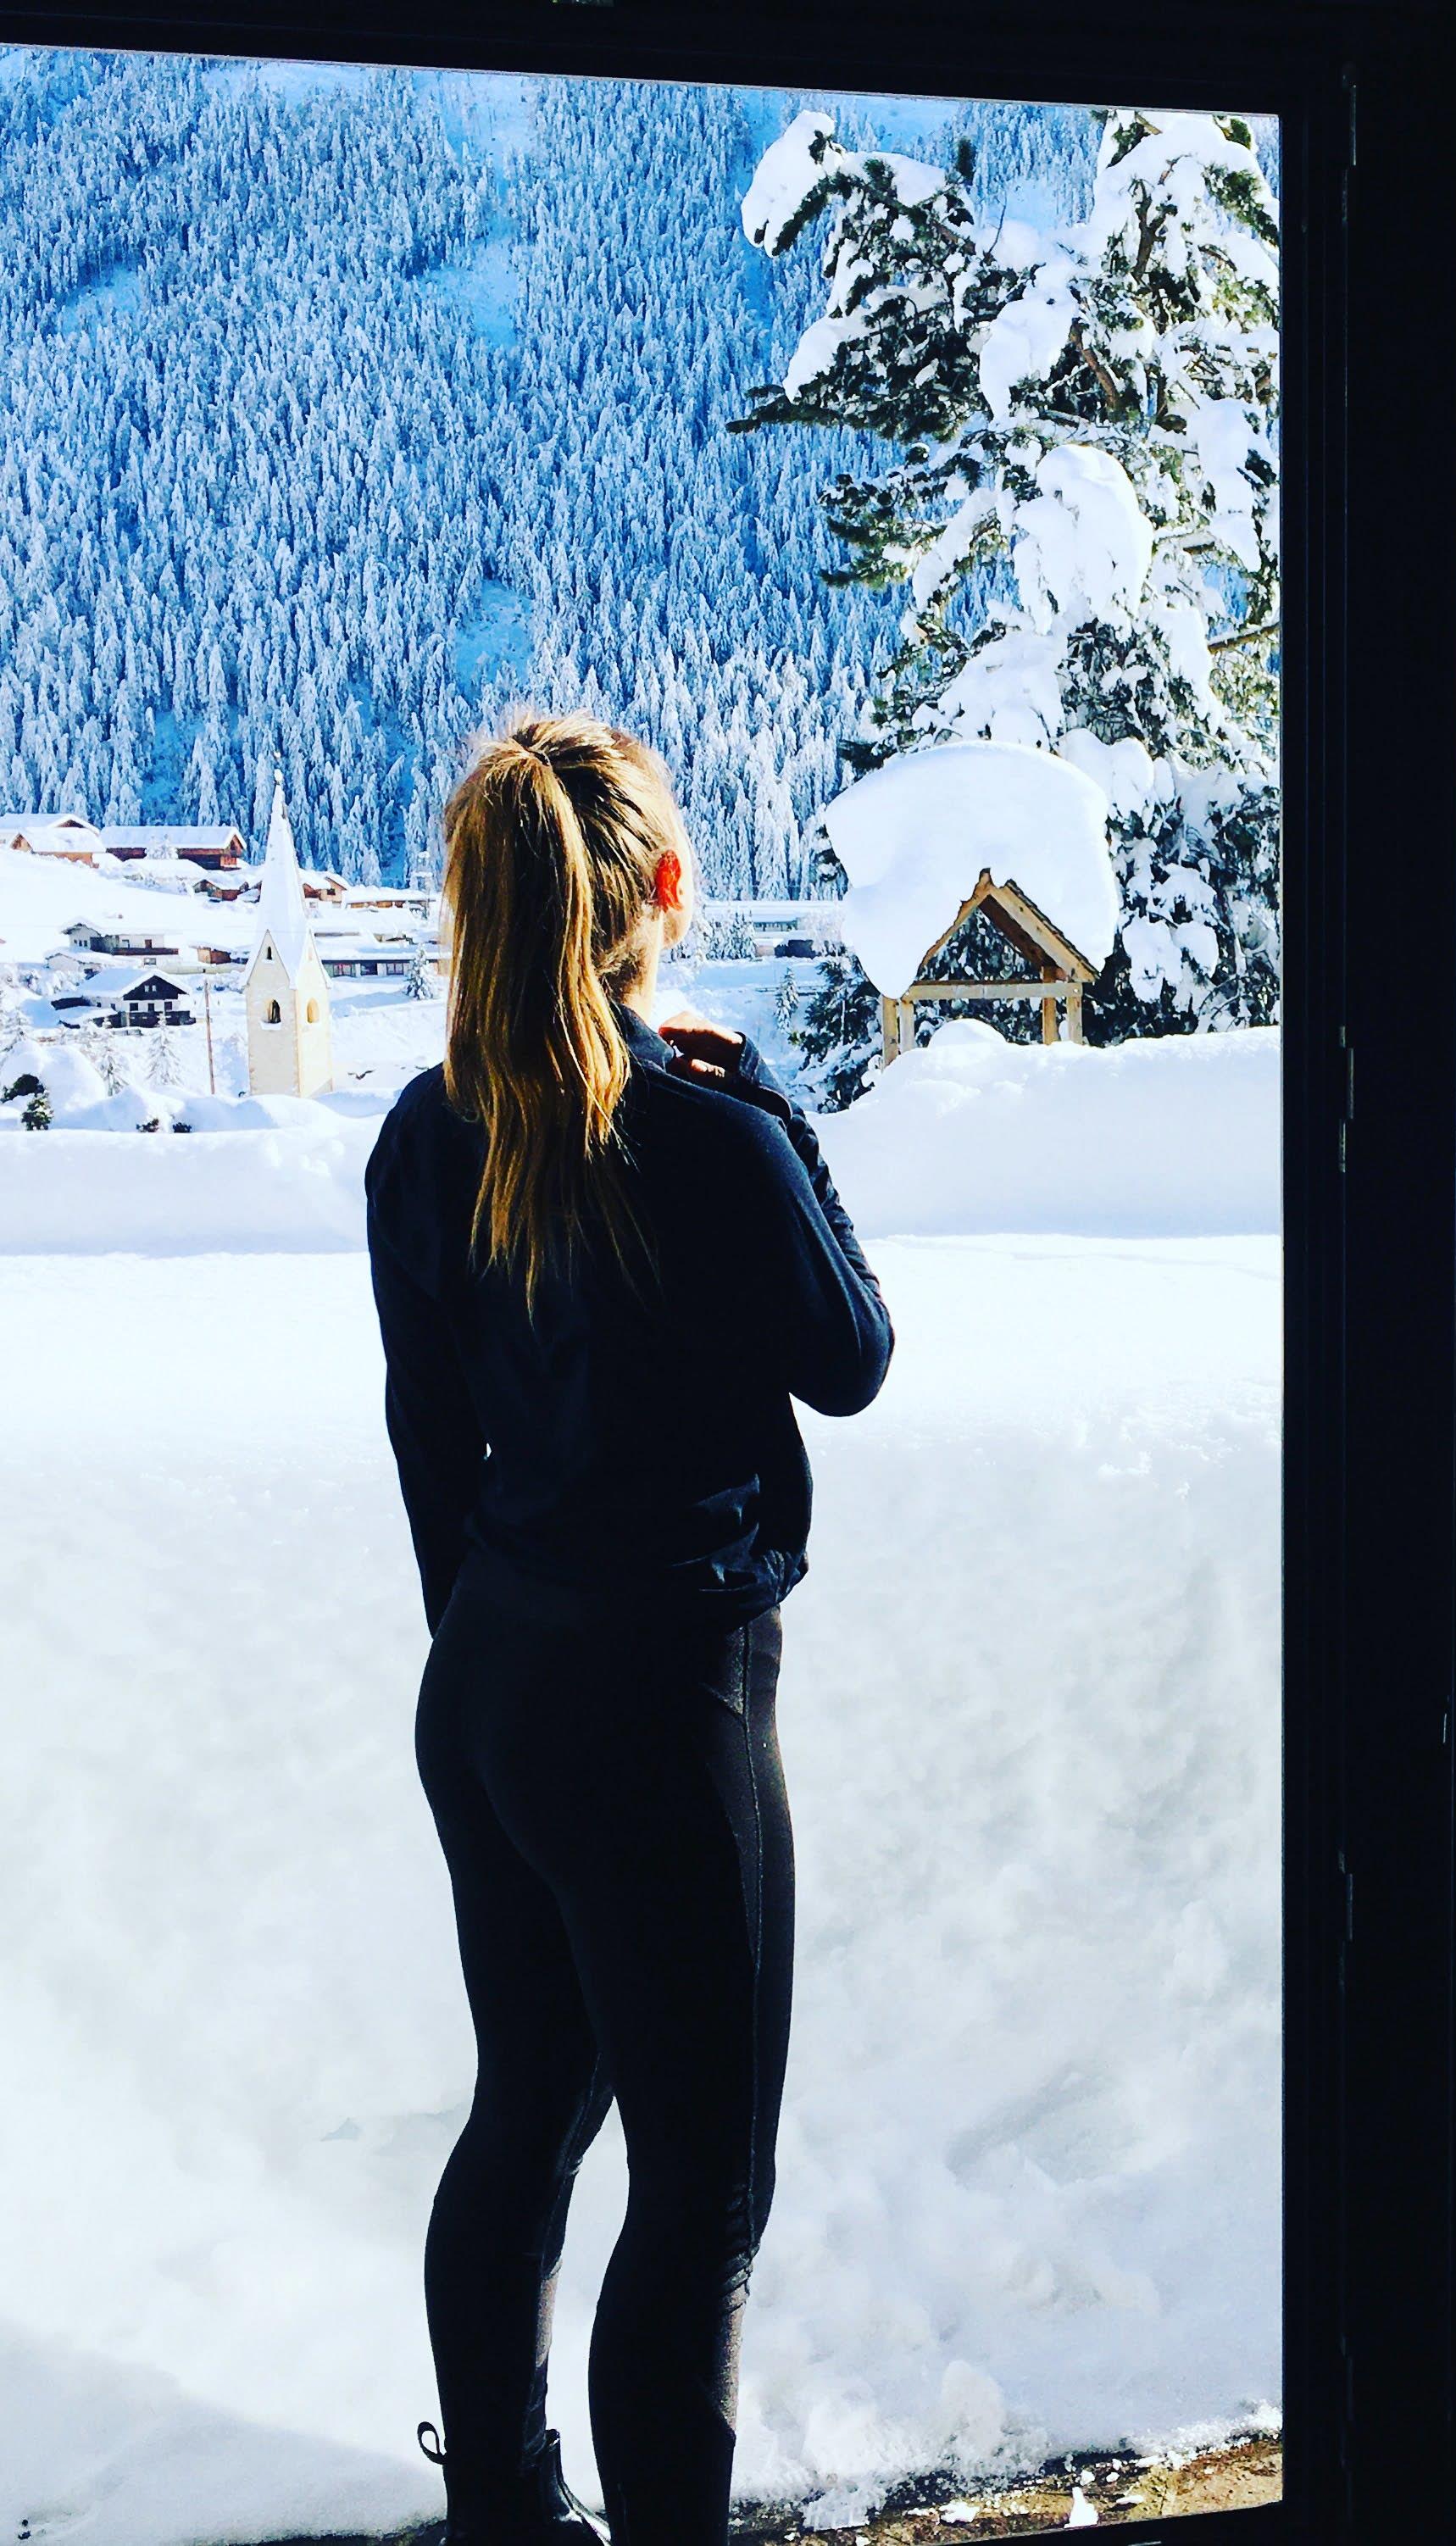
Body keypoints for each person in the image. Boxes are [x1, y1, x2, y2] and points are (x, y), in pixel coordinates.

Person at [364, 711, 892, 2545]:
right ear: (663, 889)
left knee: (526, 2109)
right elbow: (853, 1357)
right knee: (701, 2194)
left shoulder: (423, 1132)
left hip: (491, 1686)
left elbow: (426, 1438)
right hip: (666, 1705)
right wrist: (778, 1115)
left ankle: (507, 2514)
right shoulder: (707, 1139)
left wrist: (489, 1647)